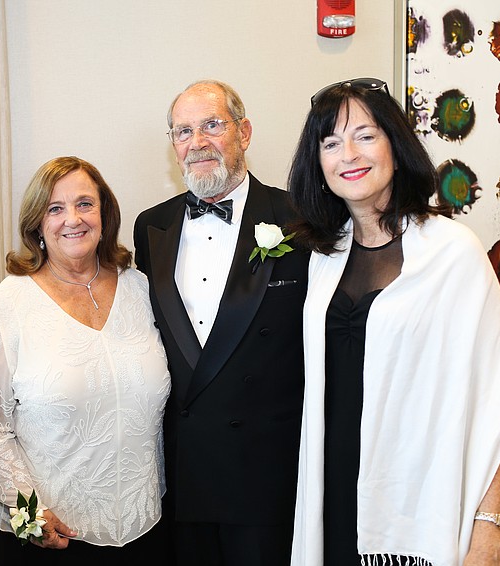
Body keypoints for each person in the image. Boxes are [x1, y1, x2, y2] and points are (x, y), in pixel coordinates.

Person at [287, 77, 500, 566]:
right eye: (330, 143)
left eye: (365, 136)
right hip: (333, 494)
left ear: (396, 145)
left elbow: (492, 400)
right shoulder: (322, 258)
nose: (347, 154)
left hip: (419, 503)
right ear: (318, 163)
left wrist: (490, 527)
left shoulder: (453, 253)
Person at [0, 156, 172, 565]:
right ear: (38, 224)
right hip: (51, 538)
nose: (72, 218)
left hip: (146, 529)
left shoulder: (142, 289)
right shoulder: (8, 304)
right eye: (55, 209)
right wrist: (28, 515)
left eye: (85, 204)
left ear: (105, 214)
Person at [133, 80, 309, 565]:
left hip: (268, 475)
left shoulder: (299, 218)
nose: (197, 142)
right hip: (184, 474)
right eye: (183, 131)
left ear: (244, 132)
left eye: (212, 125)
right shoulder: (152, 226)